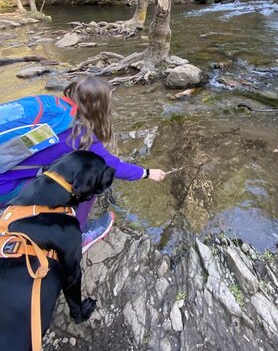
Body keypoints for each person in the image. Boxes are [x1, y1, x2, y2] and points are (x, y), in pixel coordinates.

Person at [0, 76, 166, 252]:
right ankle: (78, 236)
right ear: (101, 107)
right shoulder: (79, 135)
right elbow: (112, 166)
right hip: (5, 188)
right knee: (91, 179)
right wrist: (147, 173)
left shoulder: (50, 103)